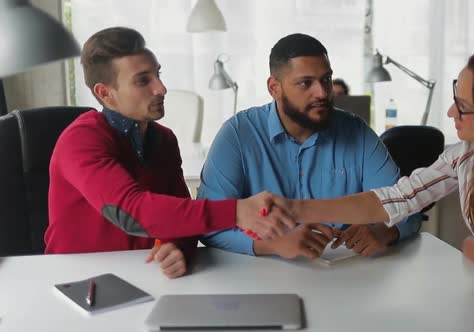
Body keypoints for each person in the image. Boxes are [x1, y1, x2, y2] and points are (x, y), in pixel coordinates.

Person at [267, 48, 474, 319]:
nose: (450, 112)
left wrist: (473, 249)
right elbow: (394, 198)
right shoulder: (466, 154)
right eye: (454, 98)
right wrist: (294, 209)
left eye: (462, 107)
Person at [44, 27, 294, 279]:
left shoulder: (163, 139)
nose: (161, 88)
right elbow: (131, 212)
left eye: (157, 74)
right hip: (75, 281)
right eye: (143, 80)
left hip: (142, 277)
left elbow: (182, 215)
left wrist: (176, 247)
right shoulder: (81, 140)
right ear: (104, 93)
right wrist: (238, 212)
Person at [197, 33, 422, 259]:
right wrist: (273, 244)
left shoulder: (357, 132)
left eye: (326, 80)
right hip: (263, 277)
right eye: (306, 83)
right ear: (274, 88)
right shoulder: (237, 134)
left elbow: (408, 206)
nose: (322, 92)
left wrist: (384, 231)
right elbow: (208, 224)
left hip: (347, 272)